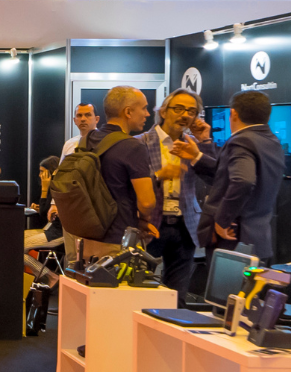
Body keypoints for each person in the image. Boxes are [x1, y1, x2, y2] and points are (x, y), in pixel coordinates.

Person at [193, 90, 286, 266]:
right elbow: (224, 179)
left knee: (224, 286)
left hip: (233, 241)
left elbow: (243, 181)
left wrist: (222, 219)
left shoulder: (241, 141)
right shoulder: (273, 142)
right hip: (258, 241)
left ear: (233, 113)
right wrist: (196, 155)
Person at [139, 91, 209, 295]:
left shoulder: (193, 145)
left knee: (177, 295)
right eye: (178, 109)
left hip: (185, 226)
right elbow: (127, 185)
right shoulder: (140, 142)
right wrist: (159, 175)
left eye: (191, 111)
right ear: (163, 111)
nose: (185, 115)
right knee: (140, 291)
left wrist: (204, 142)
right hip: (150, 225)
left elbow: (216, 177)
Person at [78, 87, 158, 260]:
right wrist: (145, 219)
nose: (147, 114)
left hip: (87, 240)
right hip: (118, 243)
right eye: (144, 108)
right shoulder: (133, 146)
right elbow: (146, 202)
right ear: (128, 112)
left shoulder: (87, 140)